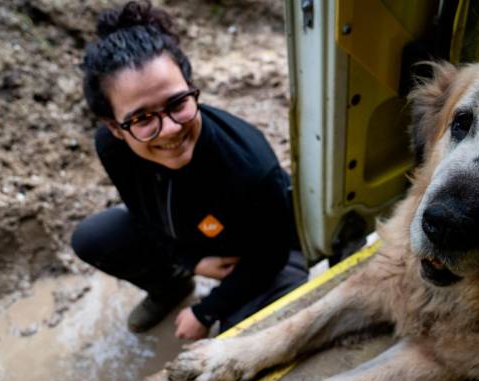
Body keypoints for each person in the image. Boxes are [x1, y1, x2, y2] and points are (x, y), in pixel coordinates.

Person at [71, 0, 308, 340]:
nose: (169, 129)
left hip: (263, 251)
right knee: (94, 237)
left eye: (177, 103)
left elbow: (271, 254)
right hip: (191, 234)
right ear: (114, 127)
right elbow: (142, 214)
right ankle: (171, 287)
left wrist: (208, 309)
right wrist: (189, 261)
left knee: (240, 333)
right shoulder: (112, 148)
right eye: (141, 119)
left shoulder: (251, 166)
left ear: (191, 88)